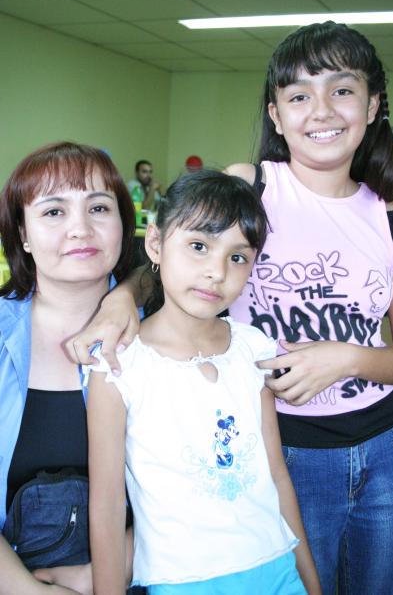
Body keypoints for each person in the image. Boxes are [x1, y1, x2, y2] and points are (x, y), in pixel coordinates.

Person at [67, 21, 393, 595]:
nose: (321, 110)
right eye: (299, 95)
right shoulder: (252, 186)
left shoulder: (388, 214)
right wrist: (122, 296)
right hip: (281, 448)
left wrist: (347, 359)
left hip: (385, 449)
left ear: (372, 105)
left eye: (342, 90)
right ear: (275, 115)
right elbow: (181, 247)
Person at [87, 171, 321, 595]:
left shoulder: (254, 349)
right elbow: (105, 507)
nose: (216, 272)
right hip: (181, 581)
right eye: (199, 246)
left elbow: (276, 475)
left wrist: (309, 579)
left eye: (238, 257)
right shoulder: (118, 364)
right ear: (155, 243)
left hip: (276, 568)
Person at [0, 141, 138, 595]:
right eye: (54, 212)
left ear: (123, 223)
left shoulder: (166, 335)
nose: (80, 229)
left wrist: (108, 574)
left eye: (99, 207)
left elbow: (203, 486)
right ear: (22, 234)